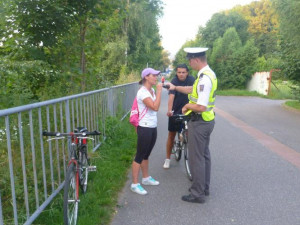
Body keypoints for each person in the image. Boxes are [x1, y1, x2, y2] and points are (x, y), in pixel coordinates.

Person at [167, 47, 217, 203]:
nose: (189, 63)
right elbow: (191, 90)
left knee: (197, 158)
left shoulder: (204, 79)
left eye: (190, 60)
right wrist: (175, 88)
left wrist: (187, 106)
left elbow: (201, 106)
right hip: (207, 120)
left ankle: (197, 193)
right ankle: (204, 188)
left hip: (200, 121)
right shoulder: (207, 74)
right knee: (204, 156)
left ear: (196, 60)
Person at [130, 67, 163, 195]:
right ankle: (134, 184)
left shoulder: (152, 91)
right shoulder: (143, 92)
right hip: (144, 127)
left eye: (156, 75)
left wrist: (157, 91)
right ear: (146, 77)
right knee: (139, 155)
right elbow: (155, 107)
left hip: (152, 126)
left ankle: (146, 178)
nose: (156, 77)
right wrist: (160, 91)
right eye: (153, 75)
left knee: (146, 154)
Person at [163, 64, 195, 169]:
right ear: (176, 73)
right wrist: (169, 110)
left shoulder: (192, 80)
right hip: (176, 111)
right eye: (179, 72)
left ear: (187, 72)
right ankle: (167, 159)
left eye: (183, 72)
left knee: (190, 134)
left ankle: (191, 155)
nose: (181, 74)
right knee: (171, 136)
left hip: (189, 110)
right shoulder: (174, 81)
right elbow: (171, 97)